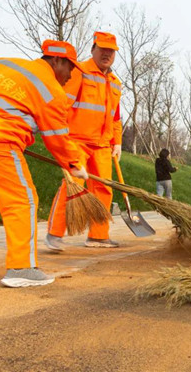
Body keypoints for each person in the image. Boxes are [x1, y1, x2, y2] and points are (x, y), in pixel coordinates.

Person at [0, 40, 87, 287]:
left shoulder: (0, 63)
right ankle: (22, 268)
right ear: (57, 61)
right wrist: (75, 164)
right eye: (71, 69)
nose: (71, 76)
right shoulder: (50, 89)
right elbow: (57, 138)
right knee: (22, 198)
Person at [45, 32, 123, 251]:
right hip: (77, 141)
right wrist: (59, 136)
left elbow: (115, 115)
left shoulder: (116, 83)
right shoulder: (80, 72)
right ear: (93, 49)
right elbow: (62, 104)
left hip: (102, 145)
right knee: (73, 185)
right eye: (102, 49)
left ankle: (98, 236)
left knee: (104, 189)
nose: (106, 54)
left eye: (111, 51)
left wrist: (117, 141)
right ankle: (54, 234)